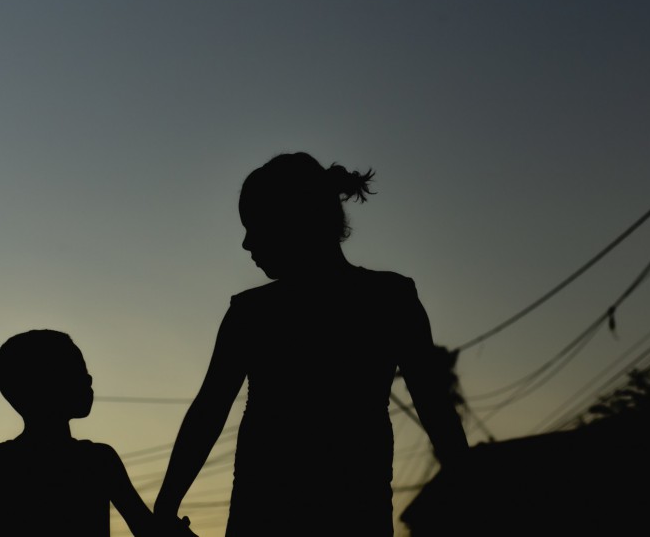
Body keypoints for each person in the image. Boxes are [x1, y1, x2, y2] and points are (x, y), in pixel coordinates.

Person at [153, 152, 470, 536]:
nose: (246, 242)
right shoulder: (390, 298)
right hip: (354, 513)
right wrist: (470, 490)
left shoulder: (252, 314)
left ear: (293, 222)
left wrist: (166, 505)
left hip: (268, 515)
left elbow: (209, 411)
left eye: (255, 226)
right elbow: (435, 405)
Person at [0, 329, 197, 537]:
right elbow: (146, 529)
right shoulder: (98, 460)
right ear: (44, 386)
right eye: (76, 372)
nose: (88, 379)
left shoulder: (2, 461)